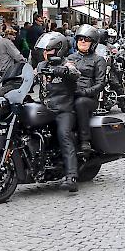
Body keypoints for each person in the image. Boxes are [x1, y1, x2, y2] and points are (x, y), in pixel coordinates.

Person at [36, 32, 81, 192]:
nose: (44, 54)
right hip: (45, 109)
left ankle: (71, 176)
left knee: (64, 135)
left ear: (58, 50)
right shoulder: (41, 66)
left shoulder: (68, 64)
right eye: (44, 51)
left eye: (47, 51)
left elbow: (76, 74)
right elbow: (29, 78)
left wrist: (62, 71)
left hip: (63, 110)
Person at [67, 24, 106, 153]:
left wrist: (84, 92)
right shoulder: (70, 58)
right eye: (80, 39)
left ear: (93, 43)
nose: (82, 41)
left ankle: (85, 140)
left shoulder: (98, 60)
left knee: (80, 103)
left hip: (88, 98)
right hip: (70, 94)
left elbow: (100, 84)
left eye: (86, 39)